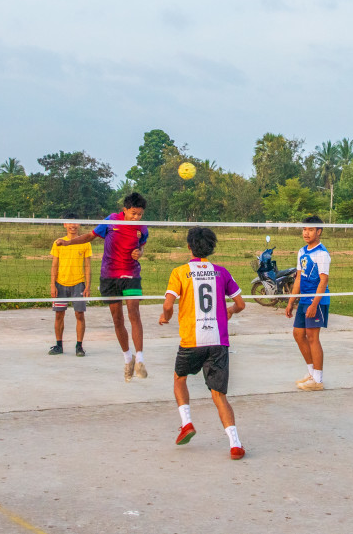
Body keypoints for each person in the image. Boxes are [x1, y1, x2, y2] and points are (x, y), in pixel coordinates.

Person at [159, 227, 247, 460]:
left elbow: (168, 305)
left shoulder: (179, 272)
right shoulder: (221, 272)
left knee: (179, 379)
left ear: (189, 246)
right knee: (219, 395)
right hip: (218, 341)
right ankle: (235, 444)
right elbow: (240, 303)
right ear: (211, 248)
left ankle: (187, 422)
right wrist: (229, 310)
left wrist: (165, 317)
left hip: (192, 340)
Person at [56, 192, 149, 381]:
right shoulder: (111, 221)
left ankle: (140, 358)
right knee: (117, 319)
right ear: (124, 210)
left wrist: (139, 252)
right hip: (110, 275)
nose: (136, 217)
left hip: (131, 273)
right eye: (133, 213)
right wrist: (68, 243)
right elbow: (89, 236)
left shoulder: (142, 227)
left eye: (140, 214)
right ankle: (127, 358)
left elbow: (142, 246)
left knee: (134, 313)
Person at [285, 215, 330, 391]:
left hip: (317, 300)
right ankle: (311, 372)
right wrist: (290, 302)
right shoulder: (302, 251)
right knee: (298, 334)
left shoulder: (322, 254)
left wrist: (314, 304)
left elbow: (323, 281)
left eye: (310, 229)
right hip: (304, 300)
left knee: (312, 337)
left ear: (319, 232)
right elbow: (298, 279)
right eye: (304, 229)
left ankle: (318, 379)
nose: (306, 233)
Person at [49, 216, 93, 357]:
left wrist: (87, 286)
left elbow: (87, 266)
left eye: (75, 222)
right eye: (69, 223)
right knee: (59, 315)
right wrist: (52, 285)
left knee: (79, 314)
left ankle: (79, 346)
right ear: (64, 224)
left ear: (79, 224)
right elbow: (54, 265)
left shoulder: (85, 243)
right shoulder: (58, 243)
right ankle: (58, 345)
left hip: (78, 284)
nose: (72, 225)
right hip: (60, 284)